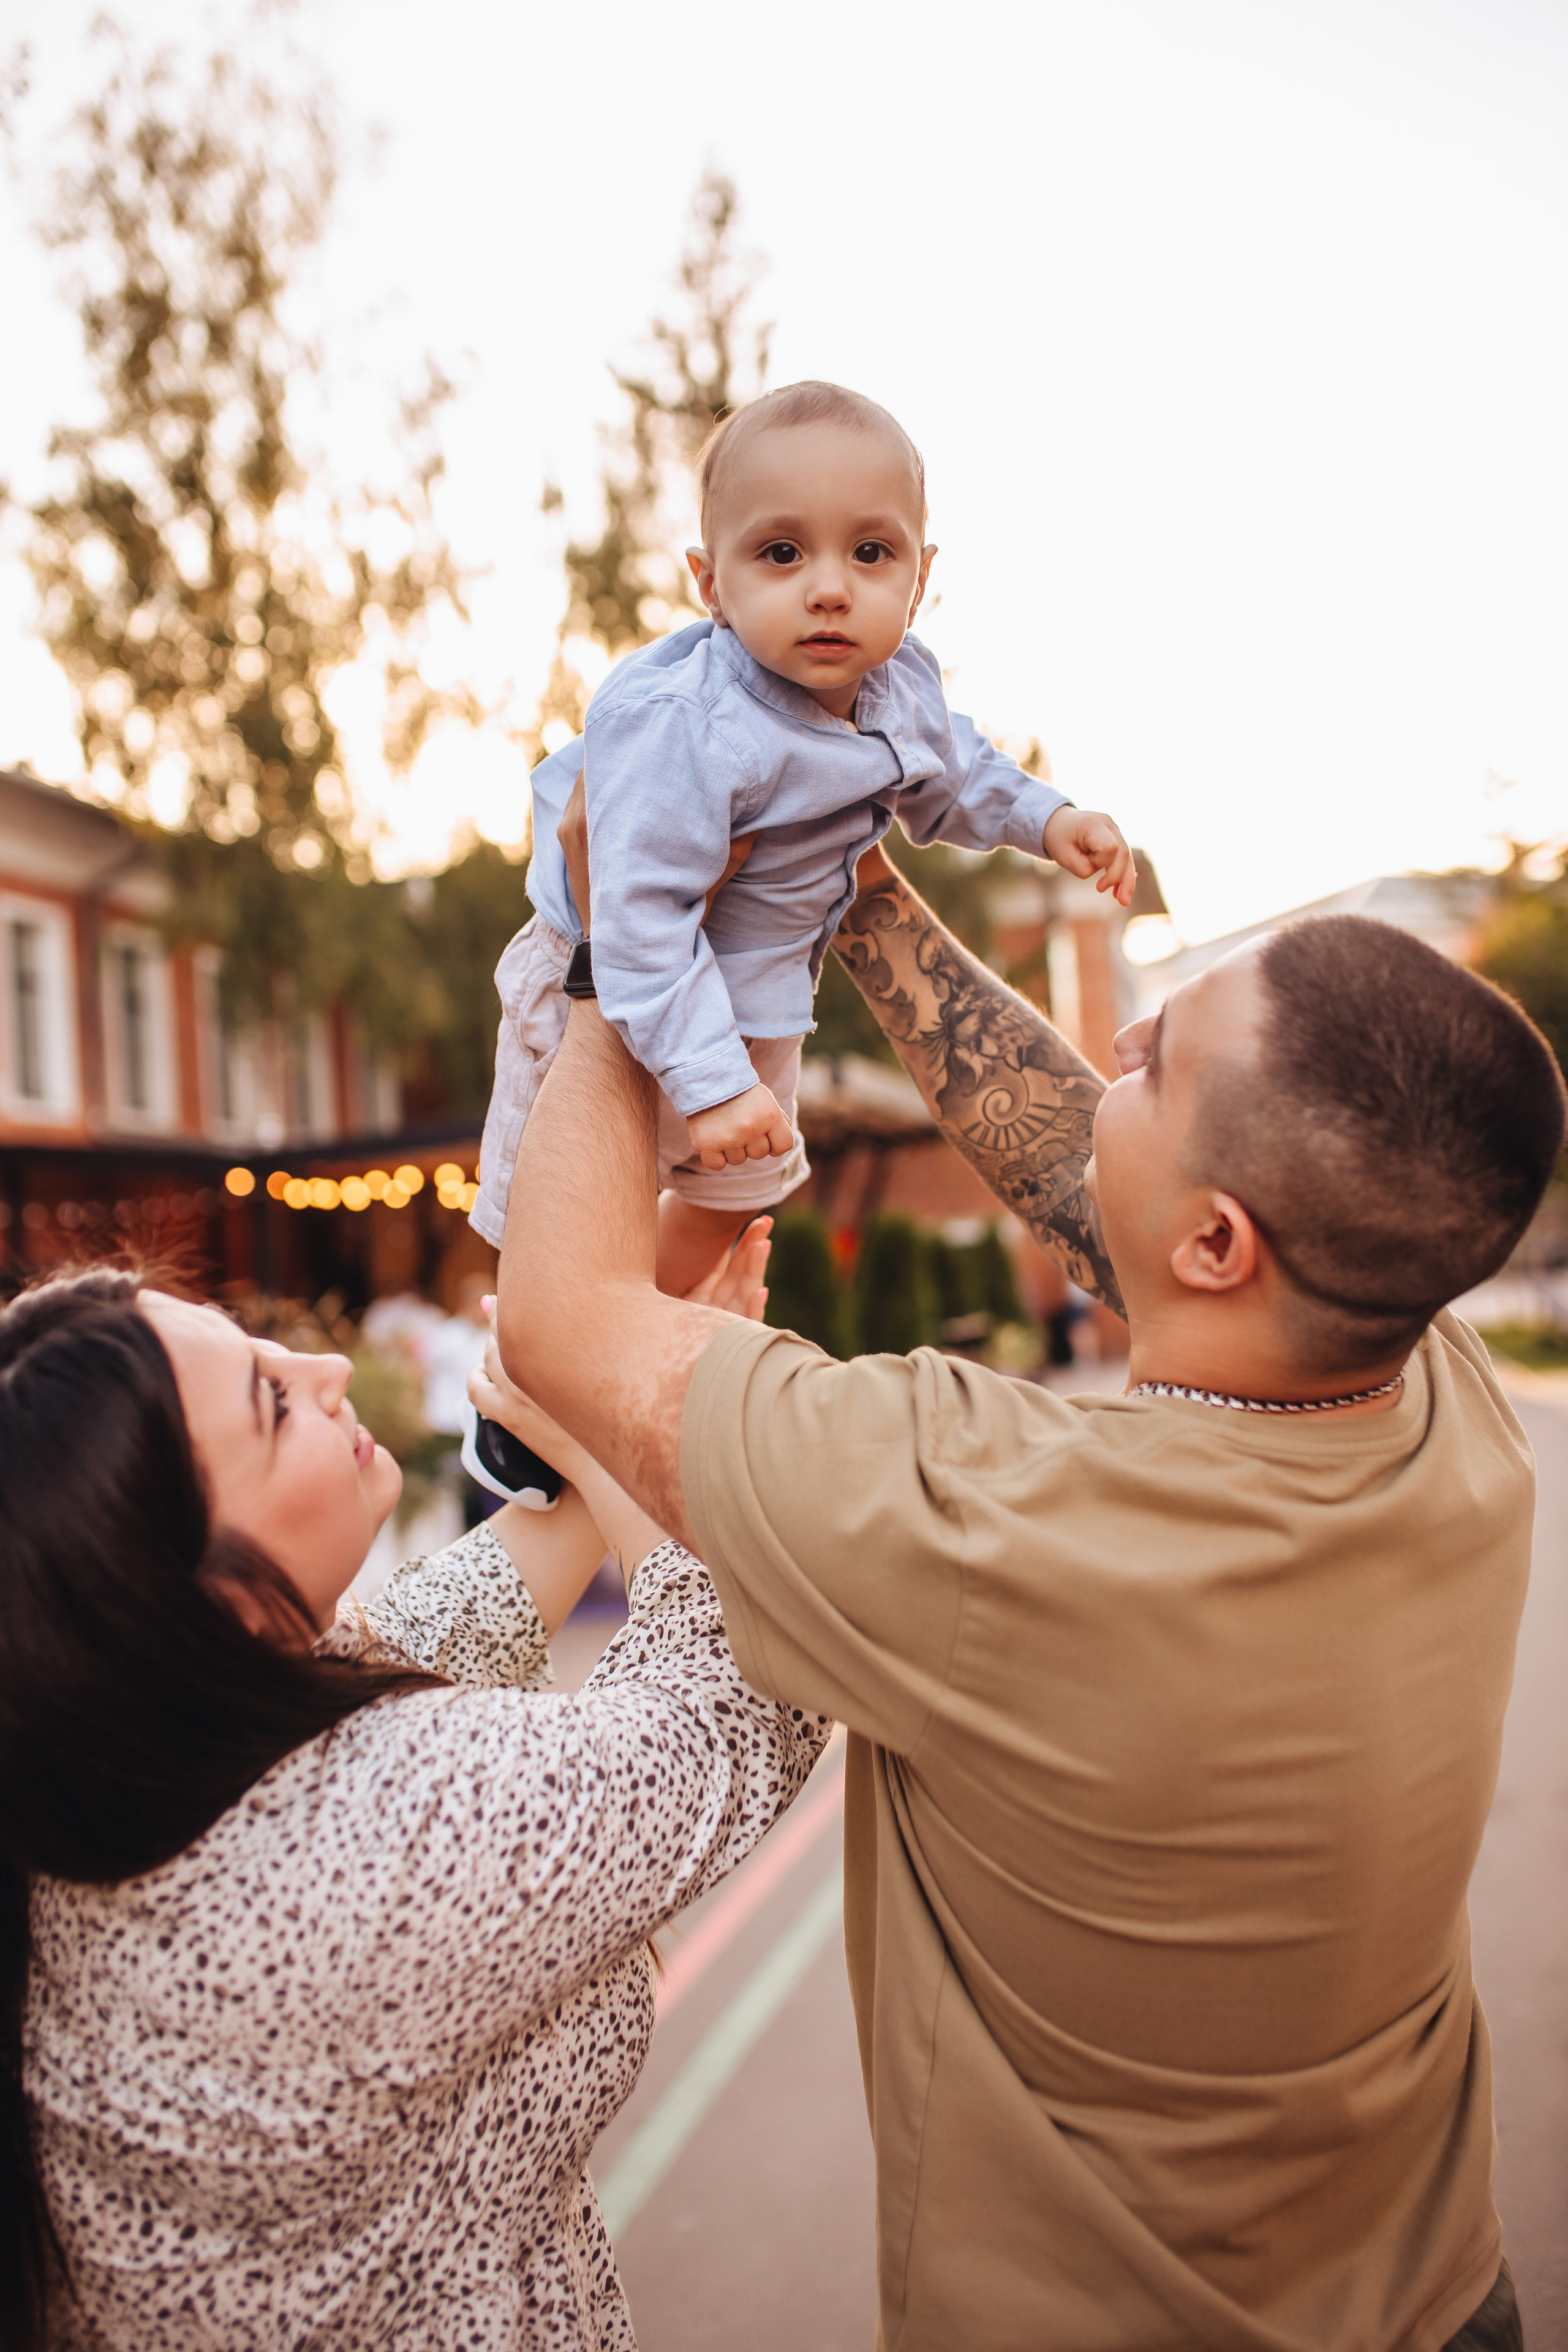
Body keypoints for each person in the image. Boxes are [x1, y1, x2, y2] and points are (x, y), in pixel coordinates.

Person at [498, 813, 1565, 2352]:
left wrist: (632, 941)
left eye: (1154, 1060)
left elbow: (560, 1318)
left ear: (1218, 1245)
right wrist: (855, 885)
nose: (1113, 1043)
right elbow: (1105, 1173)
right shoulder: (1439, 1396)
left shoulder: (986, 1517)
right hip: (1438, 2296)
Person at [1, 1227, 833, 2351]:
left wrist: (622, 1388)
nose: (327, 1369)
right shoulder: (337, 1862)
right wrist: (642, 1425)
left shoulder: (125, 1758)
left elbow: (457, 1615)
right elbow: (731, 1702)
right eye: (271, 1403)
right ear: (200, 1599)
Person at [472, 378, 1135, 1297]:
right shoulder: (688, 723)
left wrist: (1050, 820)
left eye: (870, 552)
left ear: (920, 580)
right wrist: (710, 1083)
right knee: (564, 1221)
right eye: (781, 553)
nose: (829, 589)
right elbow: (638, 916)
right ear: (711, 583)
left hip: (762, 1002)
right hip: (619, 984)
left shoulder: (901, 687)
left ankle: (625, 1328)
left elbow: (958, 769)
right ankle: (545, 1344)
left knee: (741, 1196)